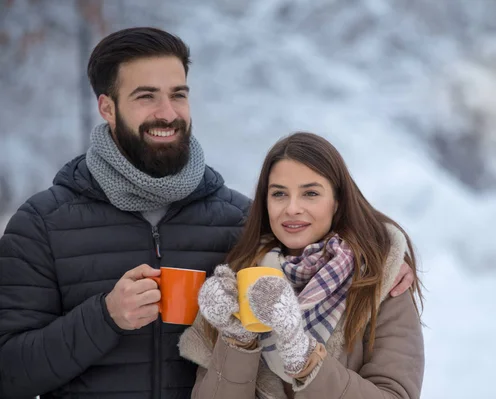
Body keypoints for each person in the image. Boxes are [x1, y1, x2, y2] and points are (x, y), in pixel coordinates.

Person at [0, 28, 414, 398]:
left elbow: (317, 231)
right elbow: (9, 373)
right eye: (146, 96)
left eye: (178, 94)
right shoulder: (43, 224)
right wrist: (104, 318)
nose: (168, 112)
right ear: (107, 107)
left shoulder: (240, 222)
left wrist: (380, 259)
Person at [179, 132, 425, 398]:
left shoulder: (380, 281)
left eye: (310, 193)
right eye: (279, 194)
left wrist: (307, 360)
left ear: (337, 202)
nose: (292, 208)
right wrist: (238, 338)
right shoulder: (241, 279)